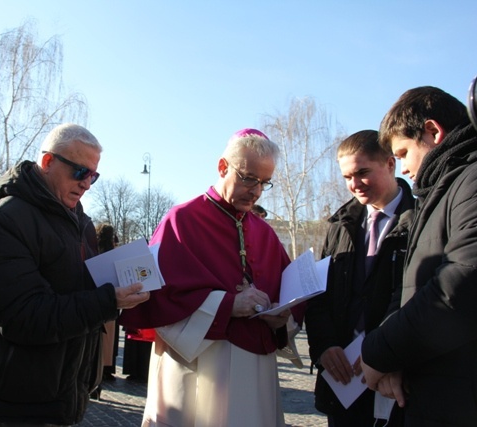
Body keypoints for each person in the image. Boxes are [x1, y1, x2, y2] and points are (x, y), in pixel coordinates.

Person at [0, 123, 150, 426]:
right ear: (47, 162)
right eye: (80, 172)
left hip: (64, 394)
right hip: (14, 401)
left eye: (93, 175)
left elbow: (75, 289)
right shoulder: (7, 218)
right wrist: (107, 300)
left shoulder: (80, 222)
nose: (87, 184)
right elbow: (21, 316)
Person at [120, 128, 301, 427]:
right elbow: (160, 296)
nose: (255, 190)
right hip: (198, 362)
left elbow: (289, 294)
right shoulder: (181, 220)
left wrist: (282, 316)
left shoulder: (265, 232)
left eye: (264, 182)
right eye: (248, 178)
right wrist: (227, 304)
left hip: (254, 366)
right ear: (222, 167)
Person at [361, 86, 477, 426]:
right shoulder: (440, 189)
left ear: (432, 131)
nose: (404, 168)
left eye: (404, 152)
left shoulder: (469, 182)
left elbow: (460, 286)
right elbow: (412, 287)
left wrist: (379, 352)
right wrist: (397, 358)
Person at [305, 130, 412, 426]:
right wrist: (324, 347)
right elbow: (318, 296)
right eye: (347, 177)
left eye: (363, 172)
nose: (354, 185)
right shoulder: (340, 226)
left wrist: (387, 356)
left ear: (390, 163)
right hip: (344, 383)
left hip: (396, 381)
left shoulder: (422, 220)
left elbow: (418, 296)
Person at [95, 223, 120, 386]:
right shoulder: (114, 253)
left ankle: (97, 369)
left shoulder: (94, 249)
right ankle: (106, 368)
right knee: (109, 339)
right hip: (111, 298)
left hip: (96, 297)